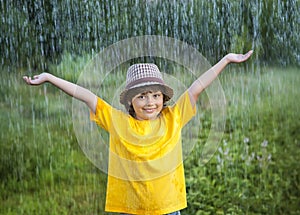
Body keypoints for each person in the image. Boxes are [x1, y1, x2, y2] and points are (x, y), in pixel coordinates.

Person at [23, 50, 253, 215]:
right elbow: (85, 95)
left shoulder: (173, 117)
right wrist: (49, 78)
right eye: (141, 96)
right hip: (131, 210)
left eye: (155, 95)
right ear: (131, 101)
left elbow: (197, 88)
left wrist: (226, 60)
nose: (149, 102)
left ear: (163, 98)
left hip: (167, 209)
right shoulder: (119, 122)